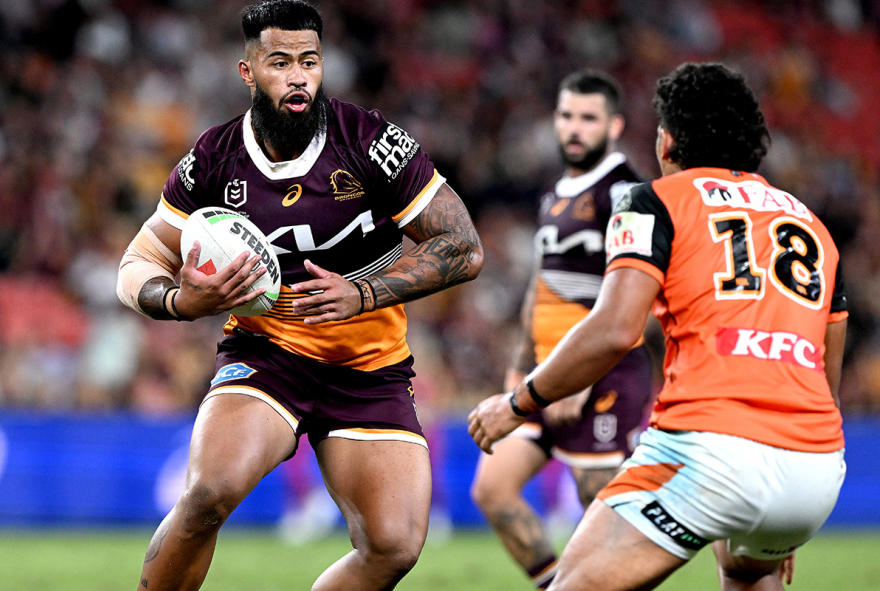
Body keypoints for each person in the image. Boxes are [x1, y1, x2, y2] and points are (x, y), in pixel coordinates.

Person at [115, 1, 483, 589]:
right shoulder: (213, 158)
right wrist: (177, 301)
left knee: (394, 546)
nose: (297, 76)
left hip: (371, 368)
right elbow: (136, 263)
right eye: (279, 61)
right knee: (209, 493)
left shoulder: (370, 142)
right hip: (268, 357)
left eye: (308, 61)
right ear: (248, 71)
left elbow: (463, 246)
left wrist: (361, 294)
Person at [468, 61, 847, 591]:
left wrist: (517, 403)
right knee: (744, 574)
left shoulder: (652, 200)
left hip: (713, 446)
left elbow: (616, 330)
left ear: (666, 141)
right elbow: (825, 370)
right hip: (815, 468)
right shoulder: (812, 225)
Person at [469, 70, 653, 590]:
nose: (575, 128)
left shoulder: (626, 193)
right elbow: (540, 285)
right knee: (493, 490)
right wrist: (520, 364)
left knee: (601, 503)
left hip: (602, 374)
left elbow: (638, 297)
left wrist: (584, 374)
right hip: (544, 373)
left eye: (589, 118)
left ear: (614, 125)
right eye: (567, 116)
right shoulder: (553, 191)